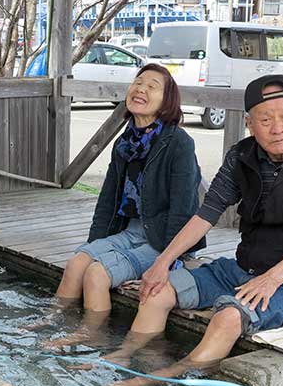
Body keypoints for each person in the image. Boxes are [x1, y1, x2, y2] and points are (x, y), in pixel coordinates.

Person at [108, 74, 283, 386]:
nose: (277, 127)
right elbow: (207, 212)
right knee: (156, 290)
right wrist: (163, 263)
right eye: (265, 119)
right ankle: (125, 355)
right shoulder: (242, 155)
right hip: (240, 269)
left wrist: (271, 280)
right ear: (250, 123)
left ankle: (162, 379)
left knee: (226, 318)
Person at [39, 64, 205, 345]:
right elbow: (107, 200)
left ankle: (93, 336)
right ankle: (54, 318)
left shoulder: (178, 143)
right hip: (129, 230)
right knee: (78, 262)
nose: (140, 88)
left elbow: (184, 207)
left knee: (96, 275)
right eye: (138, 83)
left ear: (167, 101)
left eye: (152, 86)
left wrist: (170, 261)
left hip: (162, 239)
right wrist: (94, 247)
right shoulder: (125, 142)